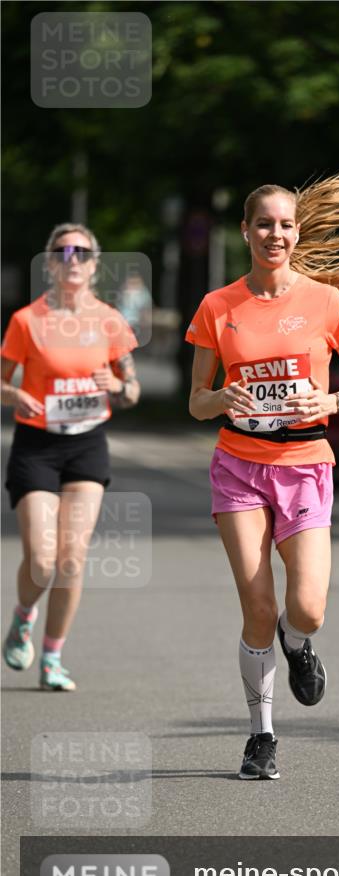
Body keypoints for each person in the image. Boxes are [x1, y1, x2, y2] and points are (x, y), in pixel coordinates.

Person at [187, 173, 339, 780]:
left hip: (304, 466)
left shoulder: (327, 302)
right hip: (239, 467)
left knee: (308, 608)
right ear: (245, 231)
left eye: (285, 224)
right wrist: (222, 397)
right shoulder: (217, 306)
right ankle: (262, 736)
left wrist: (332, 402)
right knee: (257, 606)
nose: (275, 234)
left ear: (297, 233)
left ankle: (296, 643)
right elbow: (196, 401)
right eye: (264, 224)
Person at [1, 223, 141, 691]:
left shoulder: (109, 320)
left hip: (86, 444)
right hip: (37, 446)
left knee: (72, 559)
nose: (72, 259)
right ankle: (23, 615)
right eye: (62, 252)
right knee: (43, 561)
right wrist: (14, 394)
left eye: (81, 252)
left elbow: (132, 390)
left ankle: (52, 658)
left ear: (94, 264)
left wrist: (117, 385)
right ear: (50, 263)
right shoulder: (27, 321)